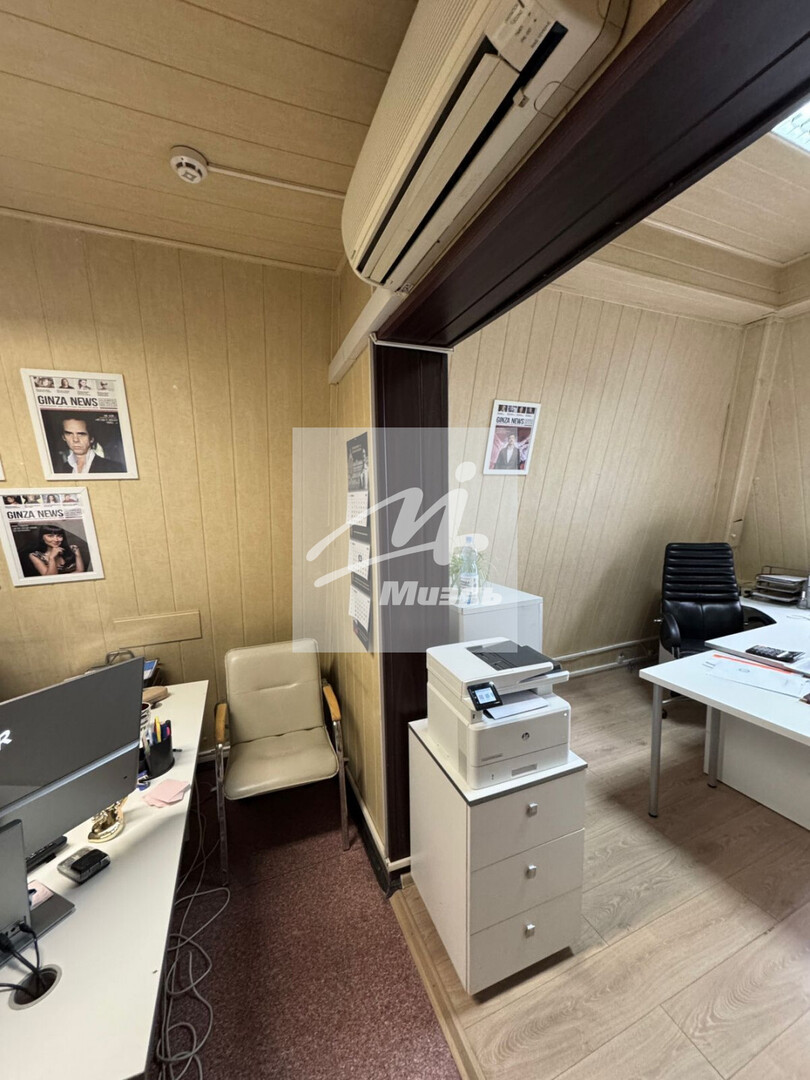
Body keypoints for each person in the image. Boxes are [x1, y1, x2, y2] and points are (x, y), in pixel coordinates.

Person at [53, 415, 123, 474]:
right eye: (69, 434)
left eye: (81, 434)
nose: (75, 440)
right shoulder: (62, 469)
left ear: (91, 438)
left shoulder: (113, 467)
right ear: (63, 437)